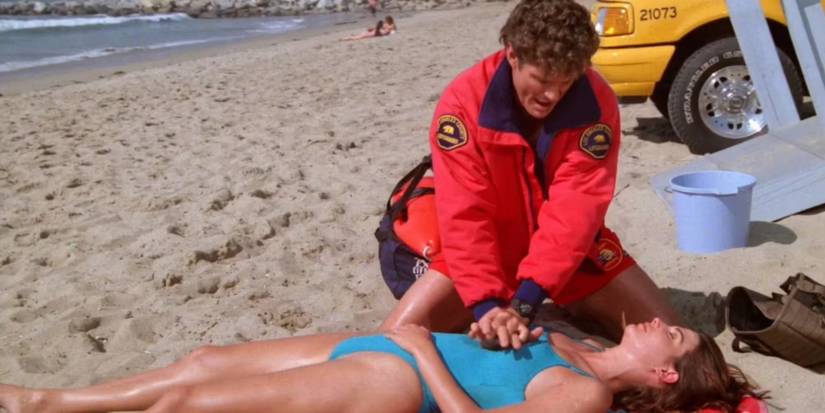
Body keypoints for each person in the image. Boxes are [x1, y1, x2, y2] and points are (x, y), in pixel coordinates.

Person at [379, 0, 681, 348]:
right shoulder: (463, 105)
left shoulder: (596, 102)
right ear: (512, 55)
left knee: (679, 342)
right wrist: (486, 304)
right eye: (542, 79)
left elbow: (576, 212)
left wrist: (525, 302)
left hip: (574, 257)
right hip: (485, 255)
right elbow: (464, 215)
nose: (552, 94)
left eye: (566, 81)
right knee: (388, 348)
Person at [0, 319, 763, 412]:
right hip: (384, 341)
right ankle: (52, 398)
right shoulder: (567, 334)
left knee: (189, 403)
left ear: (665, 373)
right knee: (200, 358)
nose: (665, 321)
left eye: (678, 337)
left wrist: (427, 351)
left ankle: (38, 407)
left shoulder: (586, 394)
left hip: (395, 377)